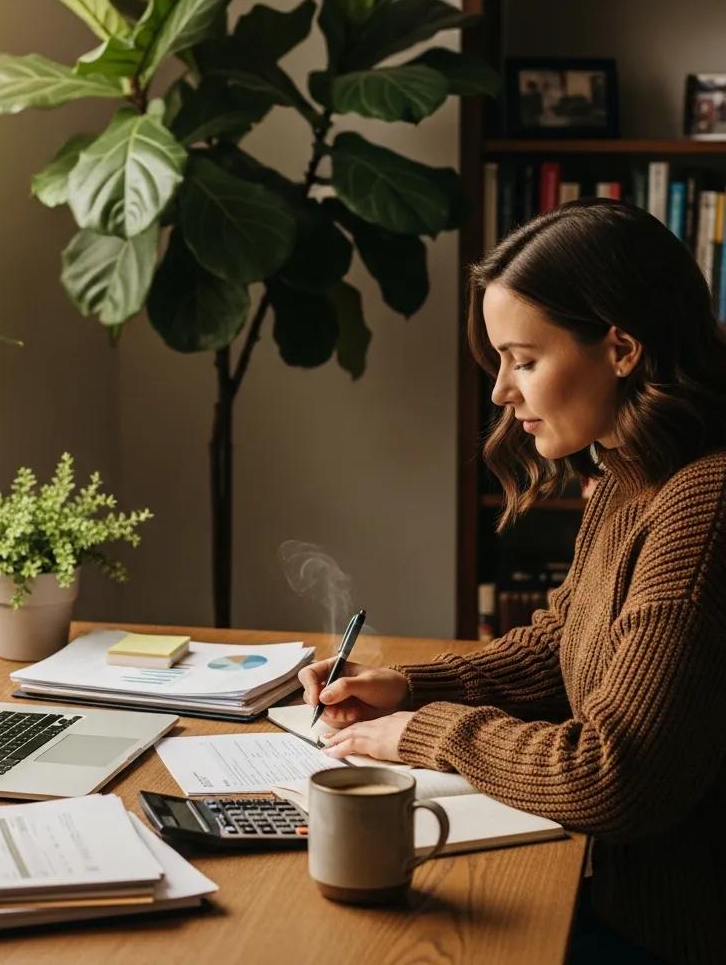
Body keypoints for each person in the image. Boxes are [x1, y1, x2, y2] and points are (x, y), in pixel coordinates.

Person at [300, 199, 726, 965]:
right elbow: (565, 645)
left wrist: (422, 733)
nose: (501, 390)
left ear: (621, 348)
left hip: (665, 935)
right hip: (609, 898)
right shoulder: (634, 474)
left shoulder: (705, 504)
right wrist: (410, 685)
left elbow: (614, 778)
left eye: (523, 360)